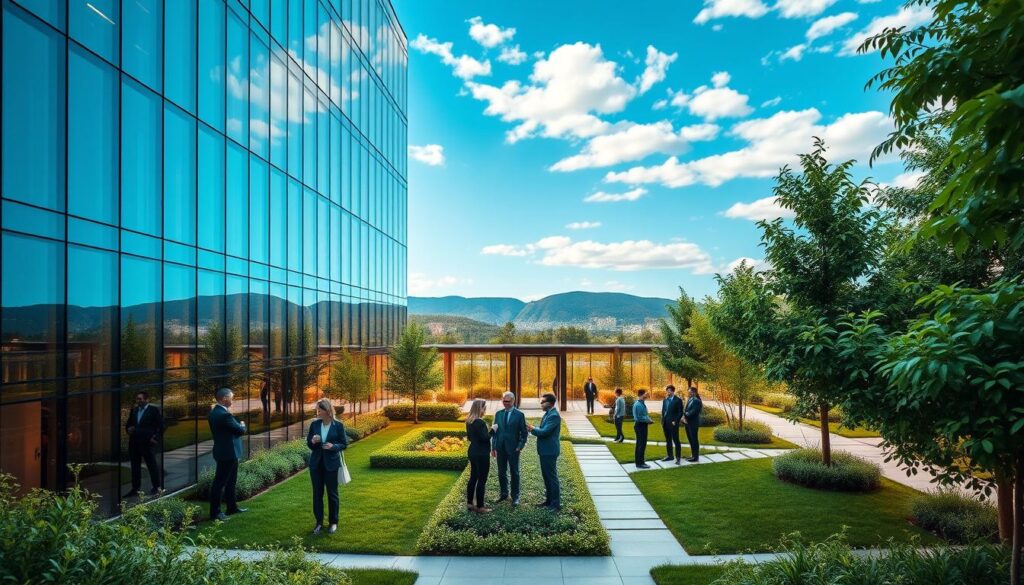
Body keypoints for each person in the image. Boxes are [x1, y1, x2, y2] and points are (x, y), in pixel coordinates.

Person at [307, 398, 349, 535]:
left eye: (320, 409)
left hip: (331, 464)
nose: (317, 412)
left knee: (332, 494)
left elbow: (344, 444)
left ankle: (333, 522)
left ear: (327, 410)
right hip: (316, 464)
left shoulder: (338, 425)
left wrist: (333, 446)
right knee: (317, 494)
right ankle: (319, 523)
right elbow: (309, 444)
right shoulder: (314, 425)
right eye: (317, 409)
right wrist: (313, 441)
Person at [208, 388, 248, 521]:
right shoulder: (224, 415)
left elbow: (231, 430)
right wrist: (242, 425)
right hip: (228, 453)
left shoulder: (215, 412)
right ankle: (216, 513)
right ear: (224, 399)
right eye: (232, 397)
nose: (233, 400)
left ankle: (232, 507)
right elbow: (239, 430)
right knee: (220, 483)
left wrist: (238, 426)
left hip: (226, 452)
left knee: (230, 482)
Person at [491, 391, 528, 505]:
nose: (505, 403)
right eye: (504, 401)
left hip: (513, 449)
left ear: (513, 401)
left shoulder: (520, 415)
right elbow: (495, 432)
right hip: (500, 448)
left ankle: (515, 497)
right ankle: (503, 494)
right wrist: (493, 448)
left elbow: (524, 433)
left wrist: (519, 447)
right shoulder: (498, 414)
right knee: (501, 472)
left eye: (507, 401)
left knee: (514, 472)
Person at [125, 390, 164, 497]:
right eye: (137, 399)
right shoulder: (134, 410)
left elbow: (161, 426)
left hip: (147, 443)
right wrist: (128, 429)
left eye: (140, 399)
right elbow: (129, 424)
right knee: (135, 467)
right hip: (134, 443)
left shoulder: (153, 410)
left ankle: (156, 487)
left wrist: (155, 438)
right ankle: (135, 489)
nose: (138, 401)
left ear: (147, 400)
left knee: (152, 466)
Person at [527, 393, 562, 510]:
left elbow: (544, 432)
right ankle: (548, 501)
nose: (541, 404)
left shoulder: (554, 416)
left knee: (551, 477)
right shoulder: (548, 414)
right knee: (546, 477)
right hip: (545, 451)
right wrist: (533, 427)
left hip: (549, 451)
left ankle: (555, 504)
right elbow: (542, 429)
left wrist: (532, 428)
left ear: (550, 403)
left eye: (543, 402)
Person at [465, 399, 492, 513]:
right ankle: (480, 507)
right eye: (484, 408)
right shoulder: (480, 422)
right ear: (479, 408)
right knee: (482, 479)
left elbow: (470, 438)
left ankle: (470, 503)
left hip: (473, 451)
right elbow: (485, 438)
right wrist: (493, 430)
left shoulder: (469, 421)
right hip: (481, 453)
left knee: (473, 477)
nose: (485, 410)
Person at [661, 385, 684, 464]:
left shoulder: (678, 400)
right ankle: (670, 456)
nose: (668, 392)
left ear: (673, 391)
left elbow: (680, 412)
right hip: (665, 423)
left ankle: (678, 458)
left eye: (669, 391)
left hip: (673, 423)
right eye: (667, 391)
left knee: (676, 440)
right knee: (668, 440)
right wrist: (662, 420)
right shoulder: (665, 400)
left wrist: (676, 421)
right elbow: (663, 411)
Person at [633, 389, 653, 469]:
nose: (647, 395)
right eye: (645, 394)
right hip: (640, 426)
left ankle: (640, 461)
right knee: (641, 444)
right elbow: (639, 418)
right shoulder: (638, 405)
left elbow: (645, 414)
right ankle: (640, 463)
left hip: (642, 425)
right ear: (641, 395)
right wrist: (648, 420)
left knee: (641, 444)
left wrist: (648, 419)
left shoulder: (642, 403)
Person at [684, 387, 704, 462]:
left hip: (693, 423)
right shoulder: (690, 399)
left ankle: (696, 457)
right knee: (690, 440)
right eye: (688, 392)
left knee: (694, 440)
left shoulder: (697, 401)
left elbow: (693, 412)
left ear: (694, 392)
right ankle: (692, 455)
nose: (688, 393)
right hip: (687, 423)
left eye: (690, 392)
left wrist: (684, 414)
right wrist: (684, 417)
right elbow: (686, 409)